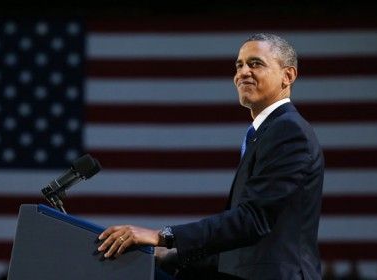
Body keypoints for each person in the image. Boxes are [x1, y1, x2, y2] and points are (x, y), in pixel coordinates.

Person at [97, 33, 325, 280]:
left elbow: (254, 220)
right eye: (239, 65)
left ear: (288, 76)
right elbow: (241, 241)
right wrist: (169, 256)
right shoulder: (266, 133)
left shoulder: (288, 131)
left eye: (255, 63)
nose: (243, 72)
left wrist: (163, 236)